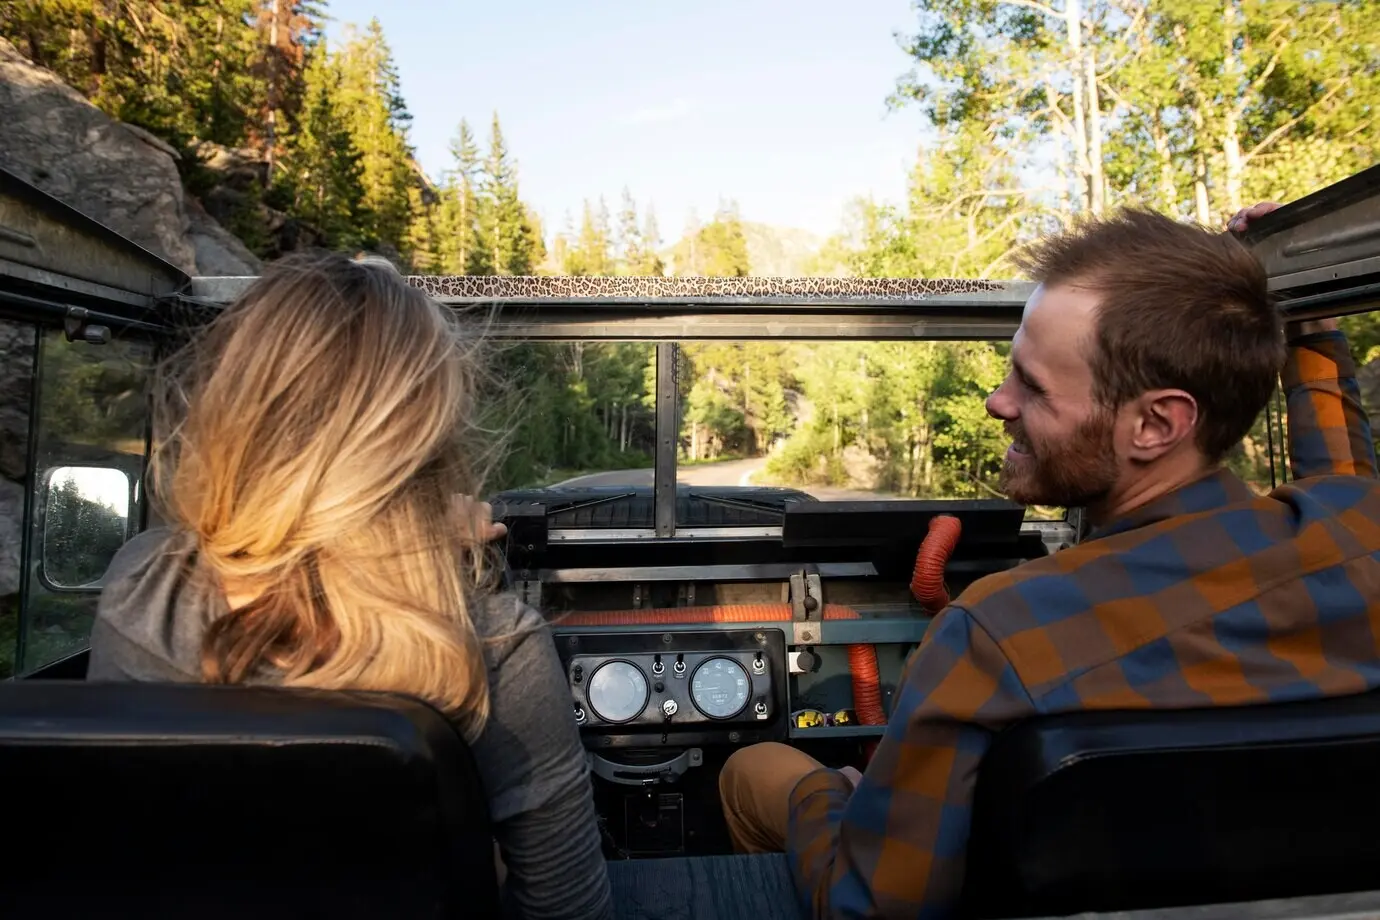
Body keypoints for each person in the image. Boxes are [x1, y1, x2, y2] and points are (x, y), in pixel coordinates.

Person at [719, 202, 1380, 918]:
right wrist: (1313, 329)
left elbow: (873, 907)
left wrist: (833, 797)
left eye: (1033, 386)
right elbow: (1348, 485)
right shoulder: (1360, 535)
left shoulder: (996, 632)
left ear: (1156, 424)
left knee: (756, 769)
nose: (997, 401)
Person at [86, 251, 614, 920]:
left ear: (234, 413)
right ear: (426, 447)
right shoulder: (496, 647)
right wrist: (449, 562)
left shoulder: (141, 590)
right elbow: (570, 911)